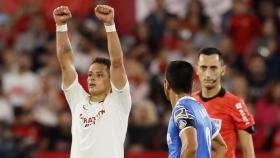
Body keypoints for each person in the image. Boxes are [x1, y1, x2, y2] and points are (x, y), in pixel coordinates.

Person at [53, 5, 131, 158]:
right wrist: (61, 26)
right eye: (90, 74)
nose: (92, 78)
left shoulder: (118, 101)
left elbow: (116, 62)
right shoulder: (77, 99)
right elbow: (65, 62)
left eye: (100, 75)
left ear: (111, 82)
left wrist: (109, 25)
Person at [193, 47, 255, 158]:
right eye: (203, 67)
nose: (208, 74)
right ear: (197, 69)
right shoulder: (189, 102)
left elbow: (248, 152)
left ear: (223, 70)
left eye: (213, 68)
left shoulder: (236, 104)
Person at [164, 60, 227, 158]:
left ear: (166, 84)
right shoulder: (201, 109)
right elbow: (220, 146)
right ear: (192, 84)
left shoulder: (181, 110)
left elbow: (191, 147)